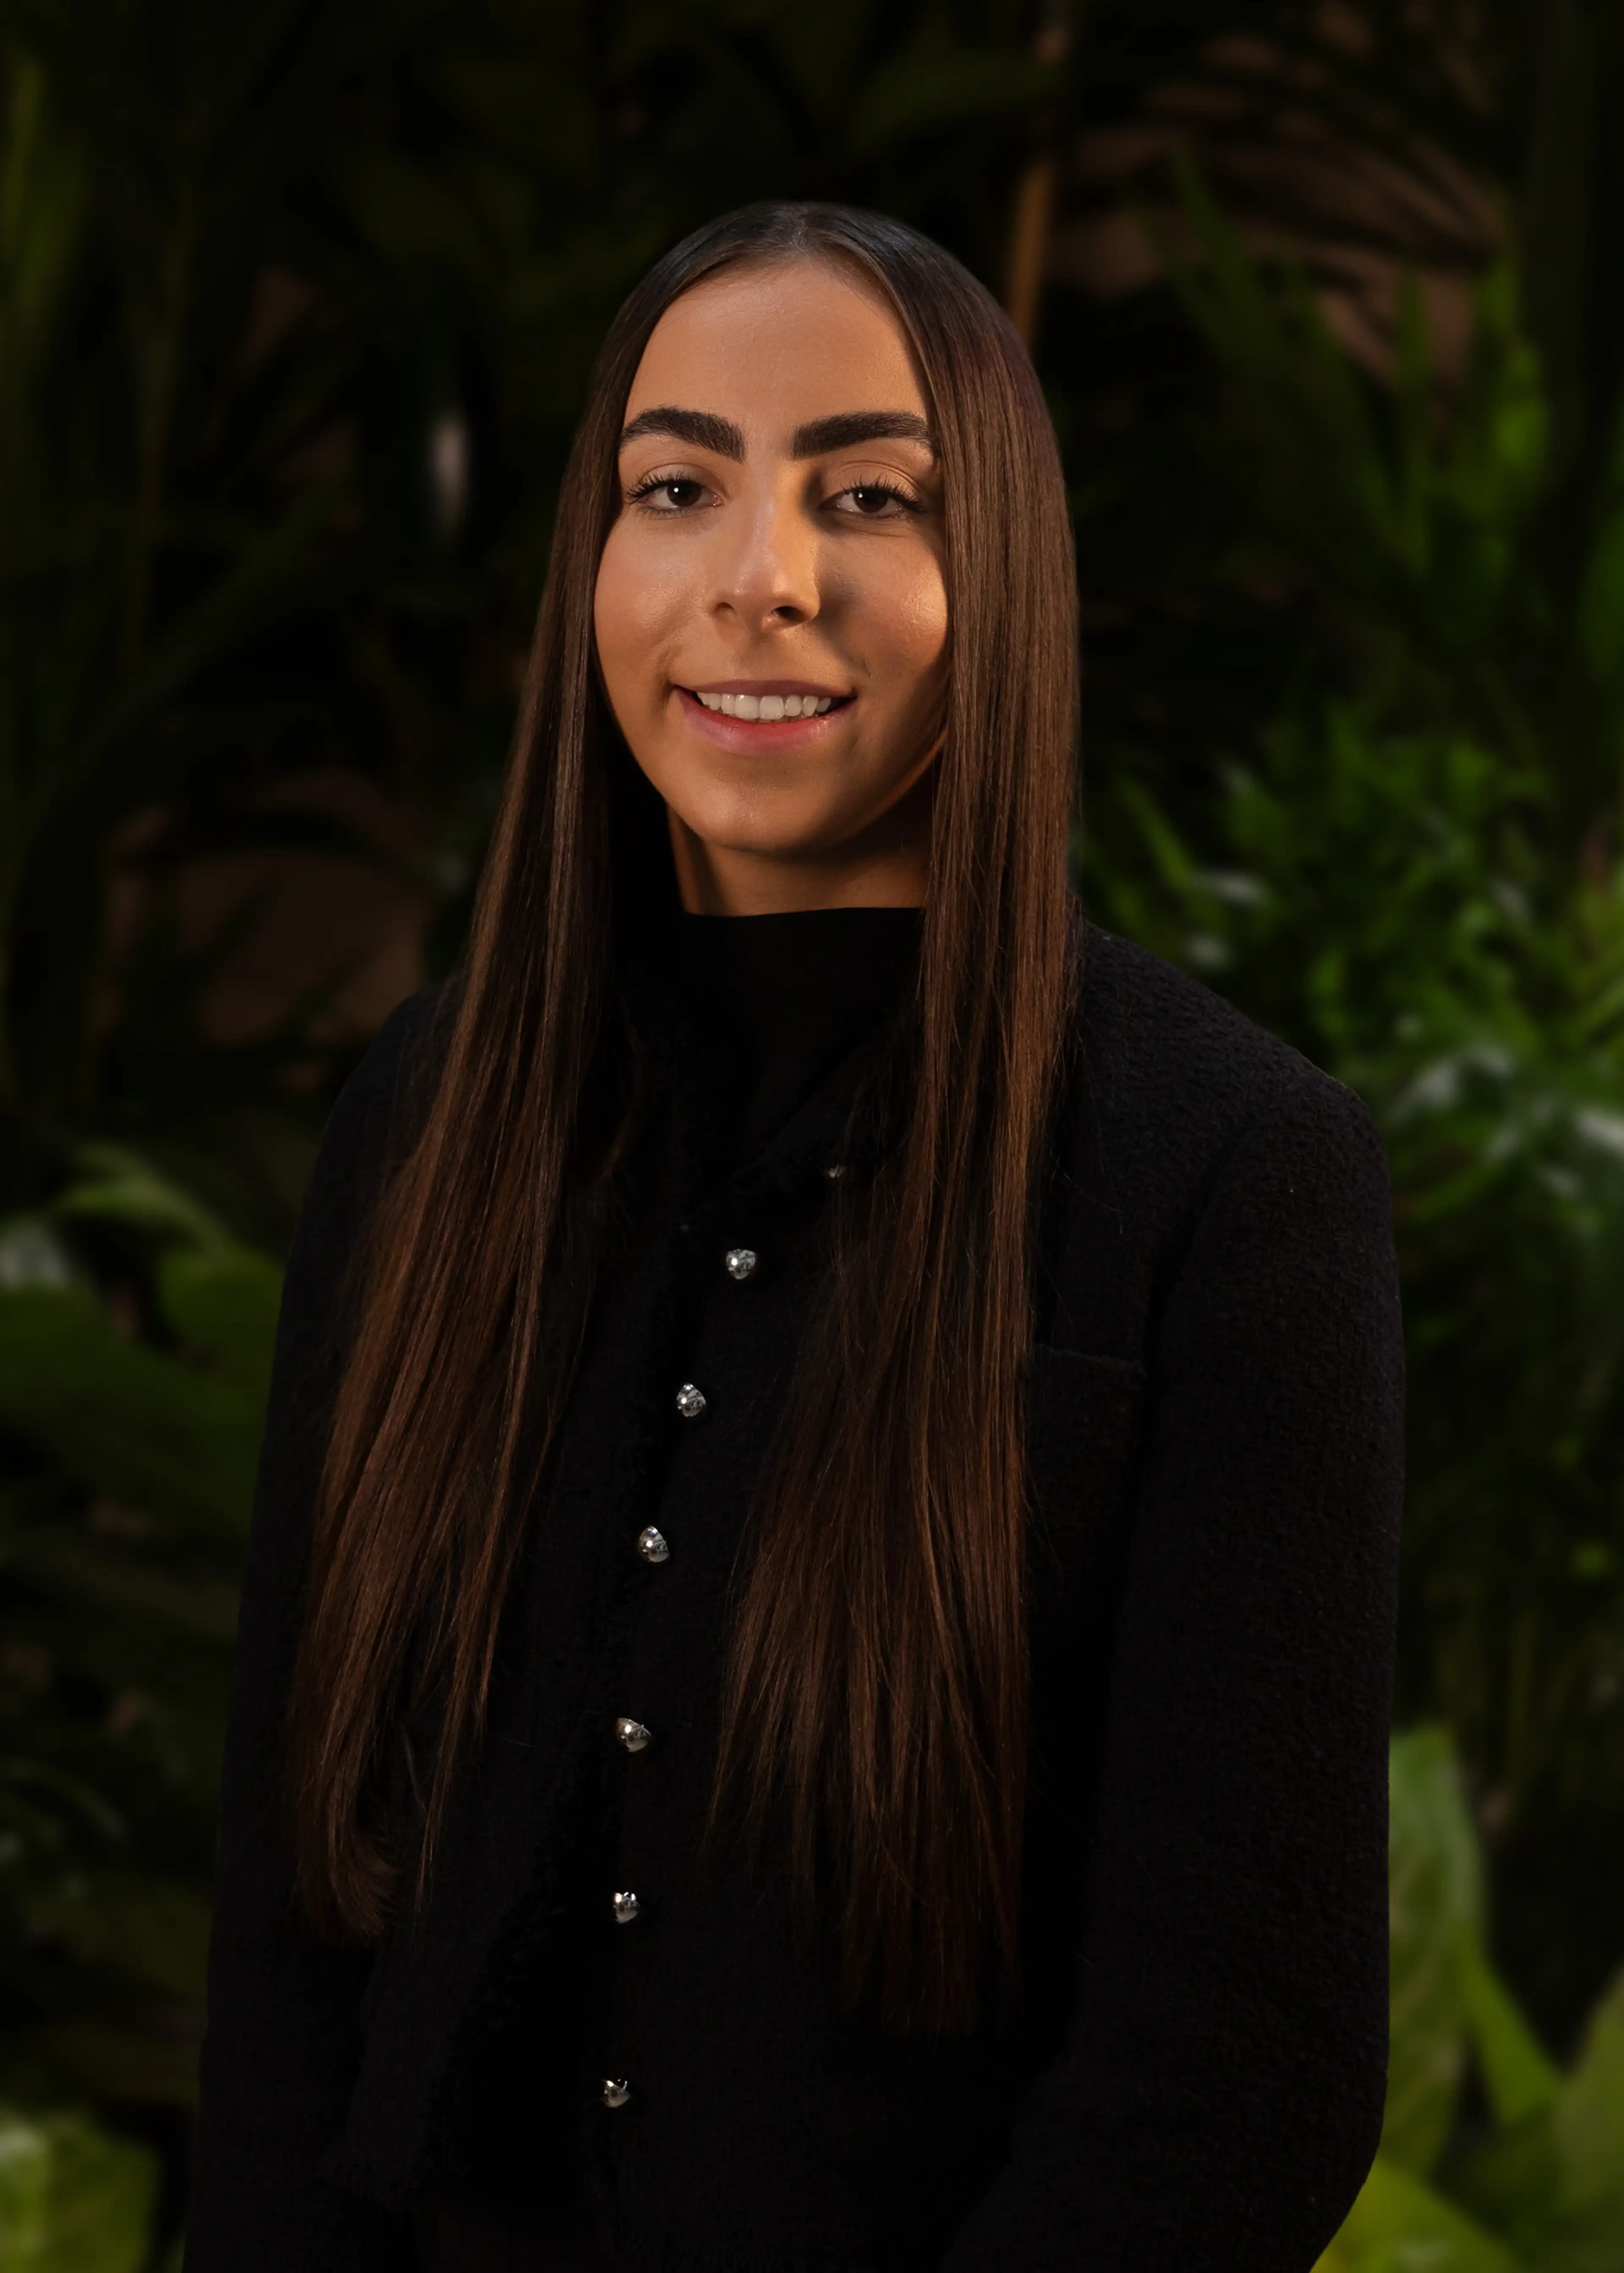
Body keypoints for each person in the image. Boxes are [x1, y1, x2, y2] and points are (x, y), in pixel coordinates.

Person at [186, 202, 1404, 2273]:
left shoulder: (1235, 1178)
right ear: (594, 565)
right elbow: (299, 1939)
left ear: (1001, 579)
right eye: (676, 487)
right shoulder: (428, 1116)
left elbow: (1236, 2076)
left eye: (870, 494)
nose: (762, 577)